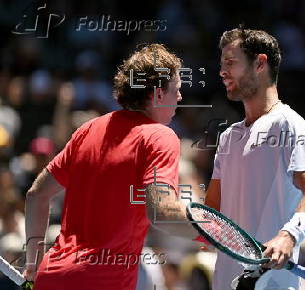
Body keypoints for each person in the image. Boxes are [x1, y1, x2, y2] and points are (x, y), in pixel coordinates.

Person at [23, 44, 197, 290]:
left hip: (51, 277)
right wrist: (215, 236)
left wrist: (33, 262)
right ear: (158, 94)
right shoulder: (161, 136)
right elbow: (163, 212)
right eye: (176, 90)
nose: (180, 97)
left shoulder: (87, 129)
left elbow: (36, 195)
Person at [204, 28, 305, 290]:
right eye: (221, 64)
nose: (222, 72)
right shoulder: (228, 138)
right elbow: (212, 216)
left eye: (231, 62)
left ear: (260, 63)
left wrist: (288, 236)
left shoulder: (289, 124)